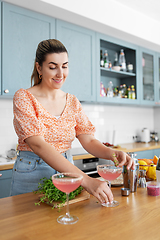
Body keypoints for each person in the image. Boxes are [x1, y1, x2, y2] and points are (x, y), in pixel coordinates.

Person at [10, 39, 134, 204]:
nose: (60, 74)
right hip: (32, 173)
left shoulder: (72, 101)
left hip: (69, 174)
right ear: (39, 67)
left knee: (67, 225)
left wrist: (112, 154)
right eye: (53, 67)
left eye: (65, 66)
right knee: (29, 227)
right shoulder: (24, 97)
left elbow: (88, 139)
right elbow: (38, 144)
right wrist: (86, 180)